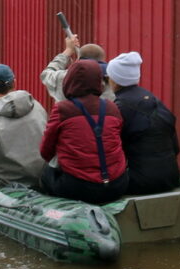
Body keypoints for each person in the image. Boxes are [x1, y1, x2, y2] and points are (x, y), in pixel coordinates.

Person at [39, 59, 129, 204]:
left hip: (78, 188)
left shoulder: (63, 109)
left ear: (69, 80)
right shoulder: (112, 108)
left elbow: (45, 151)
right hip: (117, 185)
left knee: (46, 173)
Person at [105, 51, 180, 195]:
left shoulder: (118, 108)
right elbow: (175, 148)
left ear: (114, 80)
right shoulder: (157, 102)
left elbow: (109, 153)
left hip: (138, 183)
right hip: (171, 178)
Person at [40, 35, 115, 103]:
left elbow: (46, 74)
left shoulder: (65, 77)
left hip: (69, 117)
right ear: (102, 59)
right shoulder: (113, 81)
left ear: (79, 59)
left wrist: (68, 50)